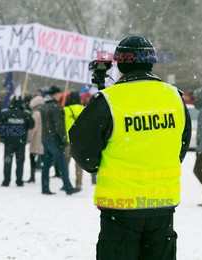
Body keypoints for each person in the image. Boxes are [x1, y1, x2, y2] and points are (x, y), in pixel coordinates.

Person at [69, 35, 192, 259]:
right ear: (150, 61)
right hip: (162, 205)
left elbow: (81, 147)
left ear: (120, 63)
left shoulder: (108, 100)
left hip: (120, 207)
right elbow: (181, 146)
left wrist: (98, 164)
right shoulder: (174, 97)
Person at [40, 86, 78, 195]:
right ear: (54, 95)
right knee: (62, 164)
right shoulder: (55, 108)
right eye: (59, 93)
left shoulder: (44, 106)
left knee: (46, 165)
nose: (60, 95)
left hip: (45, 138)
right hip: (55, 139)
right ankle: (68, 187)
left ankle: (45, 187)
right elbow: (59, 126)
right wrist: (64, 139)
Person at [0, 97, 35, 187]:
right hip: (21, 142)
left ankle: (6, 180)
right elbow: (32, 125)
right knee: (20, 162)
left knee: (7, 161)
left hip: (9, 141)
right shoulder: (26, 114)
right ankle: (19, 180)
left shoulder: (6, 113)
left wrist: (2, 134)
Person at [63, 91, 90, 189]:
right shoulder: (84, 109)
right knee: (79, 166)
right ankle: (78, 184)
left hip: (68, 141)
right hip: (80, 142)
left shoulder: (65, 110)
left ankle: (65, 183)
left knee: (65, 164)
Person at [27, 96, 45, 183]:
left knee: (32, 158)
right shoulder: (45, 111)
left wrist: (29, 137)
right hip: (44, 139)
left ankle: (32, 176)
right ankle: (45, 178)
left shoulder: (35, 113)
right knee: (45, 159)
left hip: (36, 139)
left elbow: (34, 127)